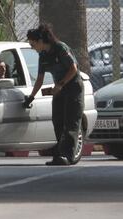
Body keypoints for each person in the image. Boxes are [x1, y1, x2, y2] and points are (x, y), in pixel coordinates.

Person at [24, 23, 84, 166]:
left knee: (71, 123)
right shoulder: (43, 56)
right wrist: (31, 97)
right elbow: (39, 79)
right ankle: (60, 154)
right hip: (59, 90)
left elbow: (73, 68)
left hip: (73, 88)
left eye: (33, 45)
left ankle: (67, 155)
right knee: (57, 121)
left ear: (40, 41)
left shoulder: (60, 48)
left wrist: (60, 84)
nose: (33, 48)